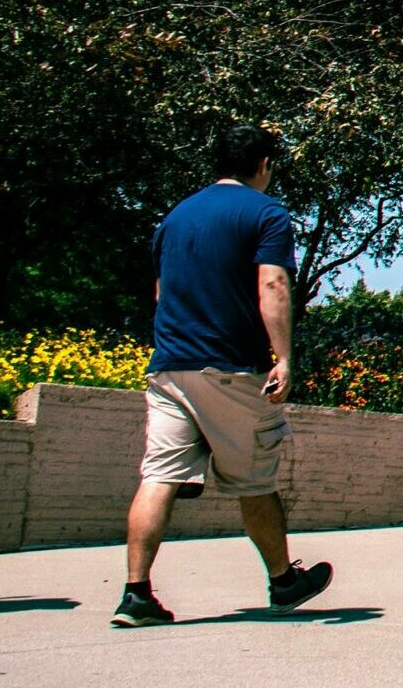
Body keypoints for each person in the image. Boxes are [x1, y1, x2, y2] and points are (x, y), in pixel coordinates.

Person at [114, 125, 334, 628]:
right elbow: (273, 284)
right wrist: (283, 357)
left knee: (159, 476)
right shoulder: (267, 213)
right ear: (262, 165)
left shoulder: (174, 218)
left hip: (170, 367)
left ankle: (135, 594)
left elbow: (161, 292)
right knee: (255, 479)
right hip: (231, 368)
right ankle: (283, 582)